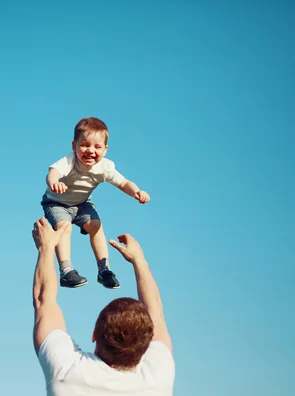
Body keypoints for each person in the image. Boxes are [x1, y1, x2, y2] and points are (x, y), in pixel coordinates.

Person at [31, 217, 175, 396]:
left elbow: (43, 300)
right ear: (146, 344)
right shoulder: (158, 377)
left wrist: (46, 247)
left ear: (94, 334)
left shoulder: (67, 370)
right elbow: (156, 310)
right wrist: (140, 261)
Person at [41, 117, 150, 289]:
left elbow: (123, 183)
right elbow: (53, 172)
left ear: (105, 150)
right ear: (74, 146)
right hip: (56, 203)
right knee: (64, 227)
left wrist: (136, 191)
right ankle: (66, 271)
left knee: (96, 226)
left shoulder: (105, 167)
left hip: (82, 204)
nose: (90, 150)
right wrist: (54, 182)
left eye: (97, 147)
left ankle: (104, 269)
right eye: (84, 145)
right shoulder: (70, 161)